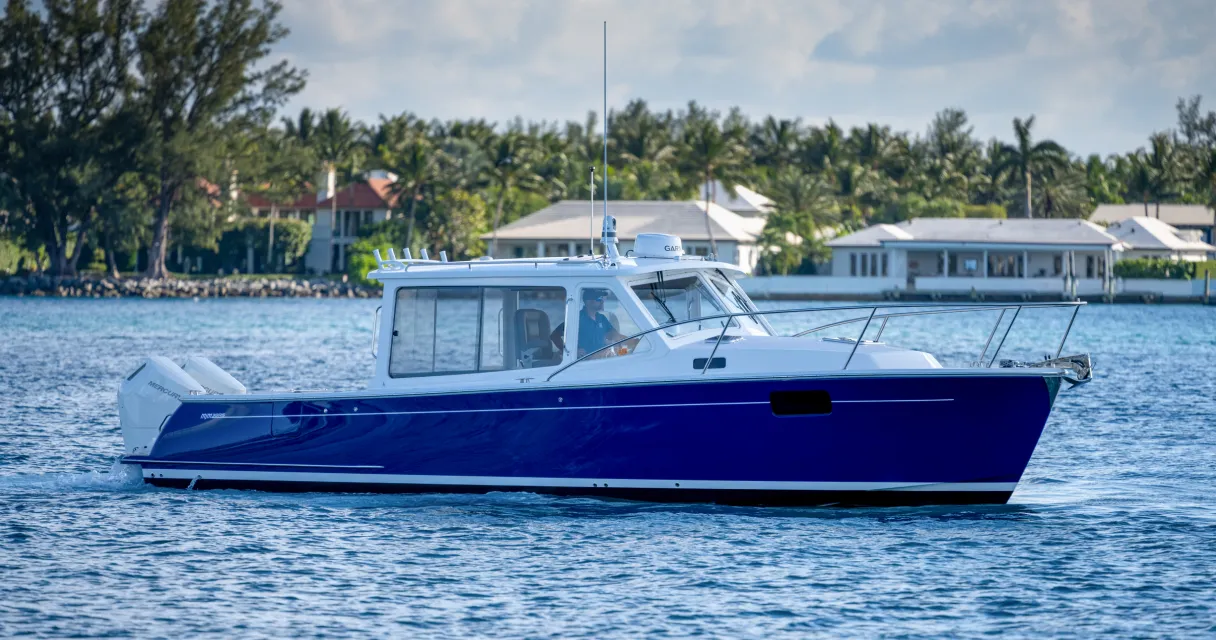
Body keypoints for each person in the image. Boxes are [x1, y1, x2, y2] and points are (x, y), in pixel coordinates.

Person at [550, 288, 630, 358]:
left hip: (604, 358)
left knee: (627, 351)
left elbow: (614, 334)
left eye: (602, 298)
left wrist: (623, 341)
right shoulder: (577, 318)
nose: (602, 301)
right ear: (588, 302)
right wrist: (573, 351)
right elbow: (554, 336)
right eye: (599, 299)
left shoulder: (602, 318)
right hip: (587, 361)